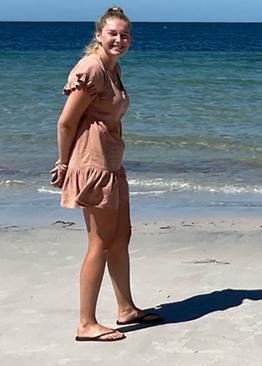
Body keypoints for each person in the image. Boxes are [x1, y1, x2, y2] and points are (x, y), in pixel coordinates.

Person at [51, 6, 160, 342]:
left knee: (122, 236)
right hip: (92, 163)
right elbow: (66, 122)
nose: (119, 39)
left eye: (125, 35)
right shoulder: (92, 68)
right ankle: (86, 323)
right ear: (98, 34)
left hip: (112, 161)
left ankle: (126, 308)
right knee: (99, 243)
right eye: (112, 33)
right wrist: (63, 163)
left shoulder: (113, 68)